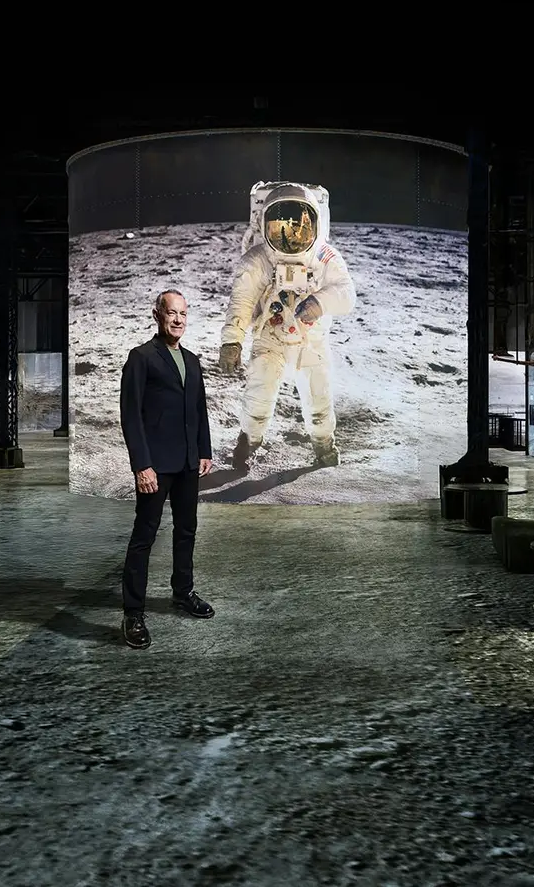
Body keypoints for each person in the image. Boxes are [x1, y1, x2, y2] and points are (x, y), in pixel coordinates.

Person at [217, 181, 356, 470]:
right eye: (280, 226)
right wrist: (232, 341)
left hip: (310, 340)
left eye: (300, 226)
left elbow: (346, 294)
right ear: (265, 222)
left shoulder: (324, 256)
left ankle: (323, 444)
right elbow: (241, 302)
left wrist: (319, 303)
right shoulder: (258, 260)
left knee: (319, 396)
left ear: (314, 222)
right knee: (259, 391)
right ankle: (249, 441)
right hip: (271, 336)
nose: (291, 235)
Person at [118, 288, 215, 649]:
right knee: (144, 537)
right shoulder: (141, 358)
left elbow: (199, 410)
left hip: (189, 463)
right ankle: (133, 612)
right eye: (172, 313)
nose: (178, 320)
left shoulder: (191, 360)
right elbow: (131, 416)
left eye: (184, 314)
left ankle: (182, 591)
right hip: (156, 467)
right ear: (157, 314)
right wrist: (142, 465)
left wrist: (204, 450)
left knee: (186, 530)